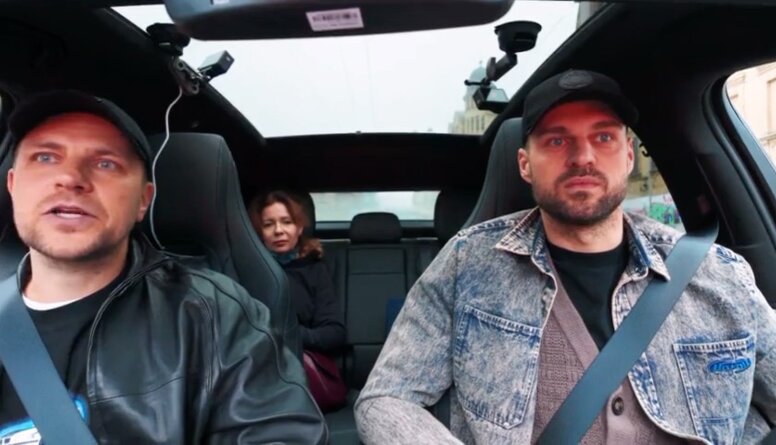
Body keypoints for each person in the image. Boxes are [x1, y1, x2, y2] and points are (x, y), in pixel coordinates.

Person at [354, 70, 776, 444]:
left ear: (628, 156)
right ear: (525, 165)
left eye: (604, 137)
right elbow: (387, 398)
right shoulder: (468, 264)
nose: (583, 157)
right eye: (557, 140)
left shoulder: (718, 274)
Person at [1, 90, 327, 443]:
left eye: (105, 163)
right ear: (13, 185)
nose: (70, 178)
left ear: (144, 201)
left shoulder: (214, 316)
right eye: (46, 157)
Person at [249, 191, 346, 354]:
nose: (278, 230)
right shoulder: (248, 270)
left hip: (300, 357)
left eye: (287, 222)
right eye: (268, 224)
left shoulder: (314, 269)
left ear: (299, 228)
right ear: (260, 233)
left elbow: (334, 333)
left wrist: (289, 334)